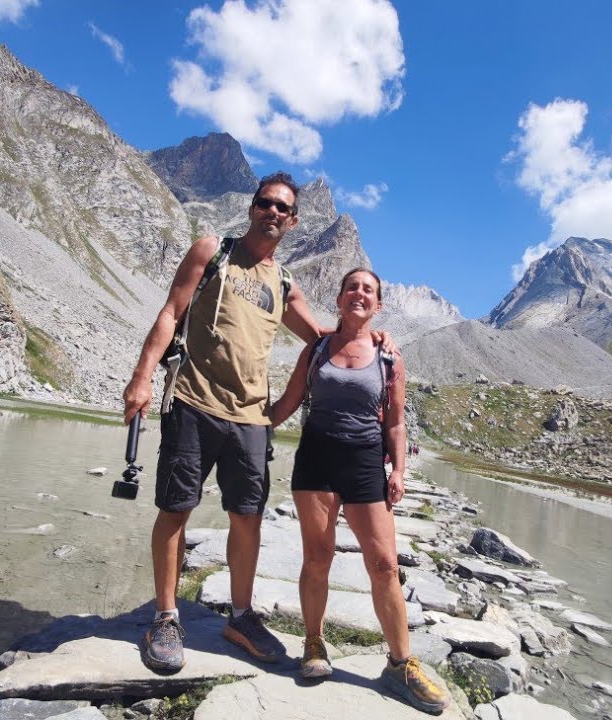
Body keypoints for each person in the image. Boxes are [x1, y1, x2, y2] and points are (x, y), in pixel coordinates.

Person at [122, 173, 395, 673]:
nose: (273, 212)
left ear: (293, 221)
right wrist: (142, 378)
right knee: (175, 508)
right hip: (193, 400)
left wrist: (371, 340)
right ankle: (165, 617)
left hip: (251, 415)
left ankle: (241, 616)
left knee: (247, 518)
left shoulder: (284, 281)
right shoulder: (212, 252)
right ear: (252, 209)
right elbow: (170, 312)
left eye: (283, 208)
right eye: (265, 203)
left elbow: (321, 337)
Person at [269, 268, 451, 714]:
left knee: (386, 565)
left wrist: (400, 470)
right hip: (316, 459)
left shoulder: (390, 356)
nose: (359, 293)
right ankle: (314, 644)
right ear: (339, 297)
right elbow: (288, 403)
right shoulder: (316, 349)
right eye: (352, 287)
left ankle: (400, 665)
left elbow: (396, 421)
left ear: (378, 305)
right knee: (318, 556)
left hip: (367, 462)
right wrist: (244, 423)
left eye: (368, 290)